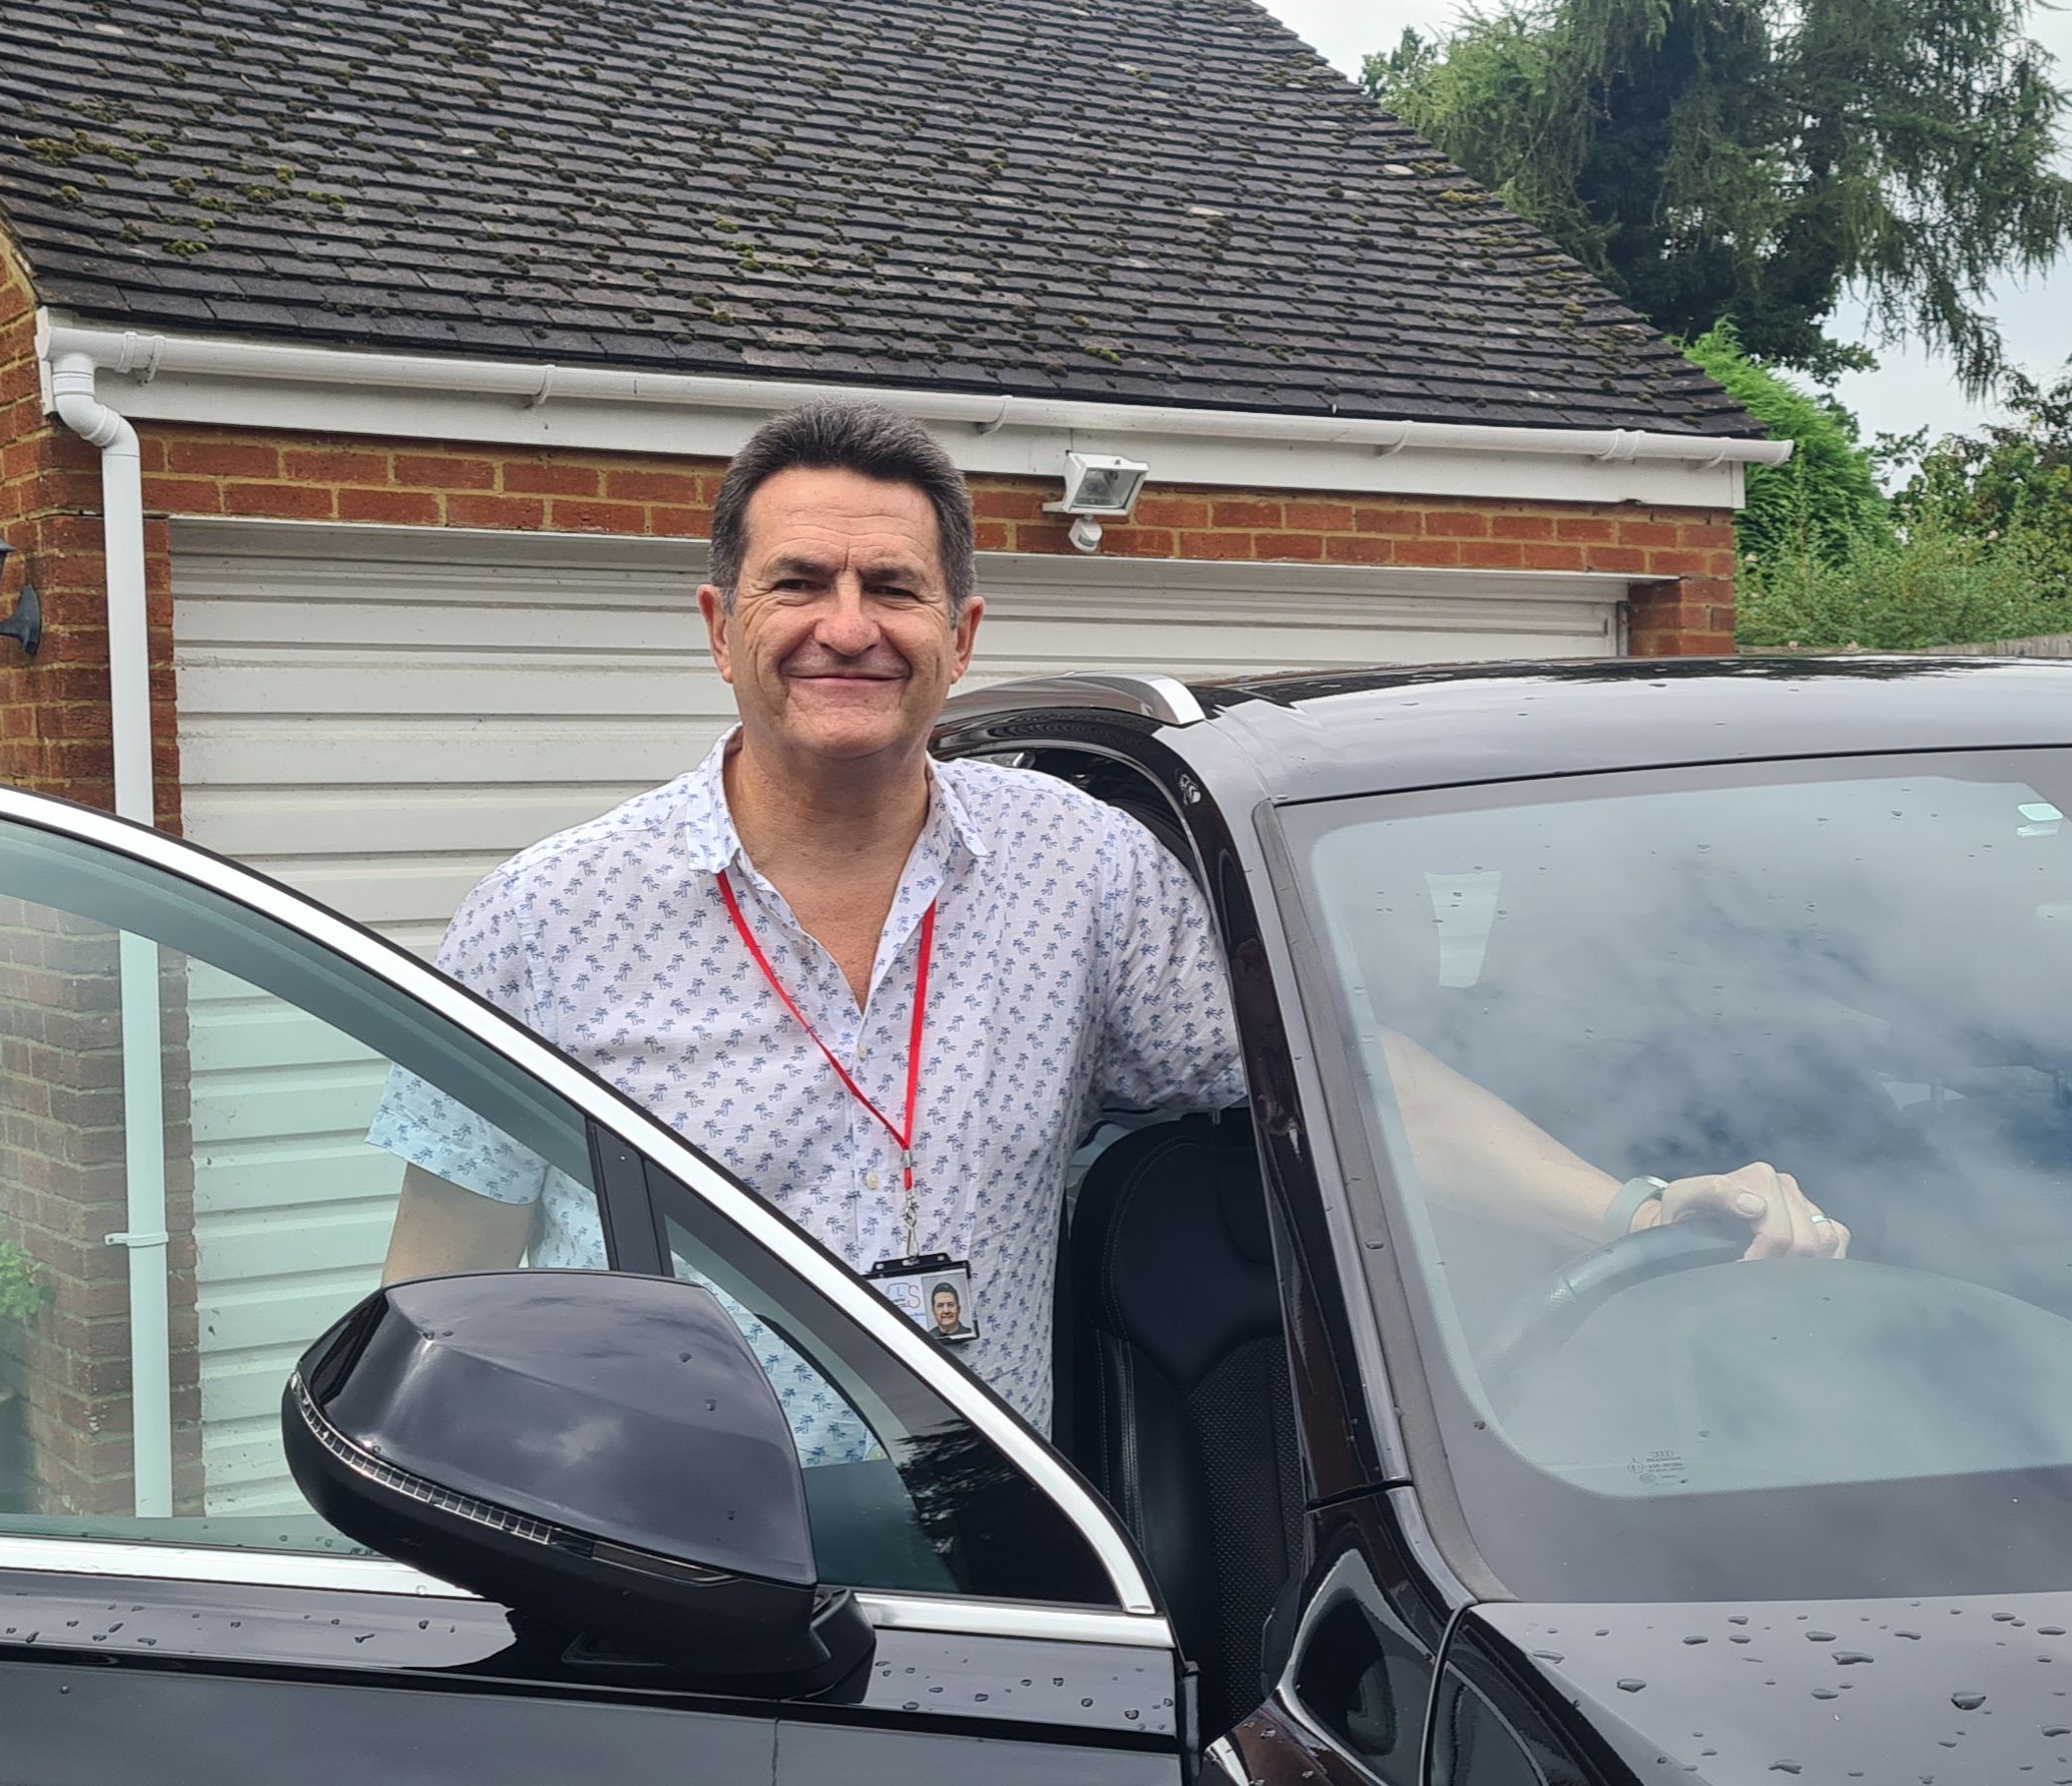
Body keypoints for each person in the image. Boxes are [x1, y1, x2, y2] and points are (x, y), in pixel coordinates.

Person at [371, 399, 1846, 1442]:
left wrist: (1633, 1210)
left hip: (1006, 1530)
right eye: (797, 583)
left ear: (961, 634)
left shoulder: (1083, 874)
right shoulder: (546, 914)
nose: (847, 623)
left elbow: (1331, 1088)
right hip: (665, 1546)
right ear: (717, 625)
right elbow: (443, 1275)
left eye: (893, 585)